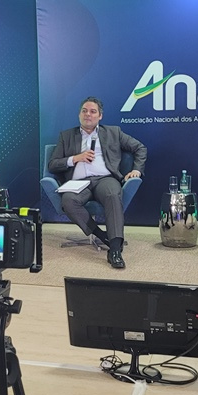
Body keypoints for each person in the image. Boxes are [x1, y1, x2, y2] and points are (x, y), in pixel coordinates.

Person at [48, 96, 147, 269]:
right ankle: (102, 235)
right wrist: (75, 158)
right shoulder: (66, 136)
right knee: (68, 201)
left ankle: (115, 250)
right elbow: (53, 164)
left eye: (93, 111)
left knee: (112, 194)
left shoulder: (113, 132)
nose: (88, 114)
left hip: (105, 179)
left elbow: (140, 148)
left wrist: (137, 170)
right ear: (79, 114)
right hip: (78, 182)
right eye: (84, 111)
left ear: (100, 116)